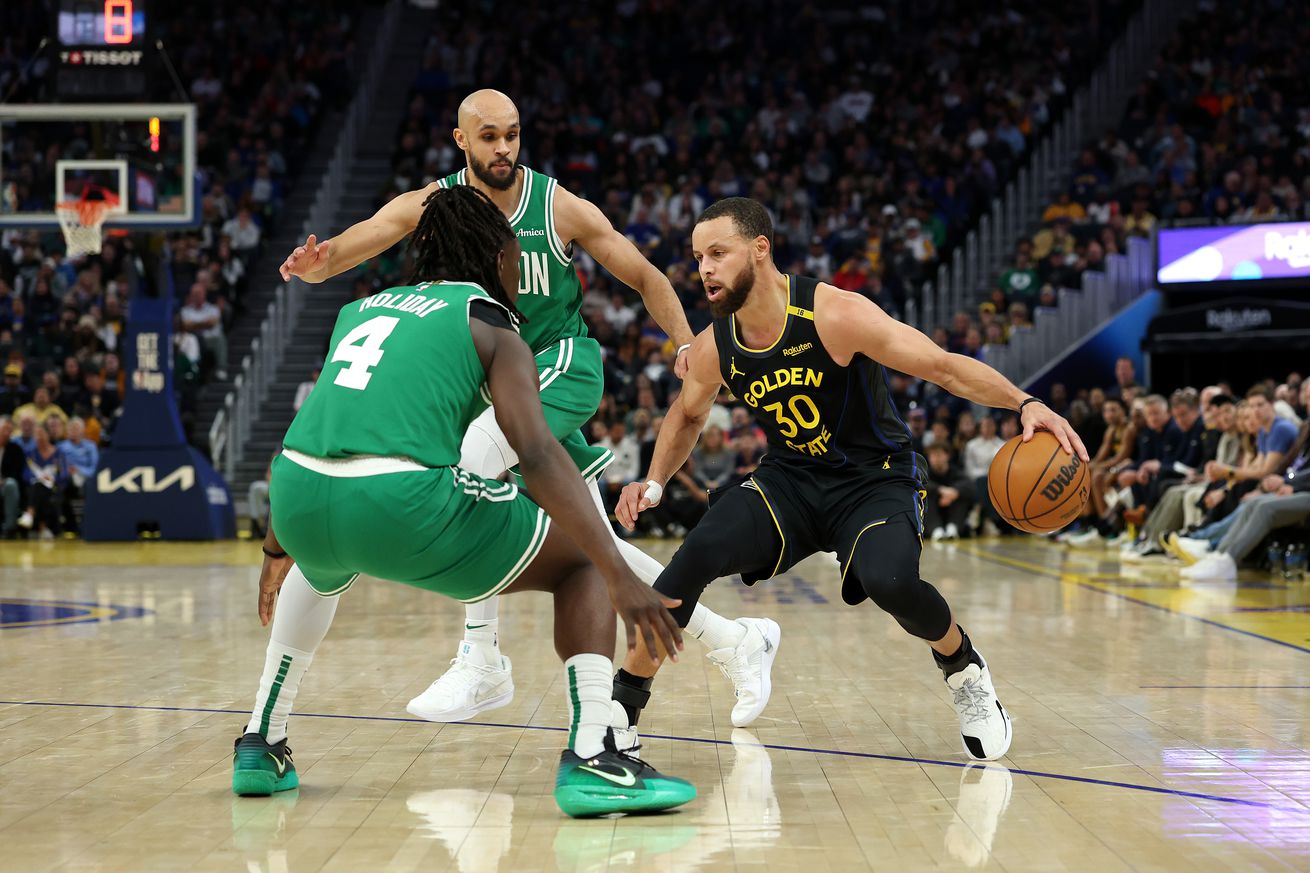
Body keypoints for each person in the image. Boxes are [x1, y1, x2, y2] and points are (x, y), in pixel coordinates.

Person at [276, 90, 759, 727]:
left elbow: (643, 274)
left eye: (512, 135)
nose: (503, 148)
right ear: (461, 141)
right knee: (589, 543)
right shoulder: (439, 204)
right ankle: (733, 640)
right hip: (495, 385)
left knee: (475, 456)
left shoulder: (555, 204)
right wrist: (314, 266)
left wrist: (687, 342)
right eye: (489, 137)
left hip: (557, 366)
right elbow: (352, 245)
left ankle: (481, 659)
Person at [235, 185, 694, 817]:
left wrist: (275, 544)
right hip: (398, 502)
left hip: (296, 494)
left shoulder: (361, 310)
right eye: (510, 255)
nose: (515, 268)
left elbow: (325, 430)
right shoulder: (488, 317)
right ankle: (594, 755)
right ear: (493, 253)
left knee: (319, 567)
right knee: (582, 558)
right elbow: (535, 452)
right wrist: (619, 574)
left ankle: (263, 740)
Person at [614, 198, 1087, 761]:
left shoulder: (835, 314)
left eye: (718, 253)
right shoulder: (718, 344)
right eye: (698, 258)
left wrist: (1024, 401)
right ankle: (620, 714)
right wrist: (656, 481)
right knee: (686, 565)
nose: (705, 269)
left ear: (760, 250)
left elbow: (941, 366)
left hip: (873, 479)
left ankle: (963, 668)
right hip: (790, 481)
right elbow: (689, 413)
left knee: (890, 580)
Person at [18, 424, 67, 539]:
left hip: (54, 487)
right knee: (38, 487)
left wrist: (52, 479)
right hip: (34, 486)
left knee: (41, 490)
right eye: (37, 435)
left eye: (42, 434)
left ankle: (30, 514)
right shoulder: (30, 453)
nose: (39, 437)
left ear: (48, 435)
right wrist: (37, 479)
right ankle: (44, 527)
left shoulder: (59, 453)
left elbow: (64, 474)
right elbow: (25, 474)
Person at [924, 443, 975, 541]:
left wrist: (955, 492)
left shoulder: (955, 472)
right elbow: (920, 485)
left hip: (953, 512)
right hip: (932, 514)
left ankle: (953, 528)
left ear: (947, 456)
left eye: (939, 454)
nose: (936, 458)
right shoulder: (926, 474)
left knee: (962, 496)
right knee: (926, 496)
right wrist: (941, 490)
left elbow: (970, 486)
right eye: (932, 455)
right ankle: (935, 530)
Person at [57, 417, 98, 535]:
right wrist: (66, 471)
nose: (73, 431)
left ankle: (88, 525)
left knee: (88, 486)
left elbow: (94, 468)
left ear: (83, 430)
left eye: (76, 428)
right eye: (71, 428)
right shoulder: (61, 446)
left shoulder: (91, 446)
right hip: (67, 478)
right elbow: (57, 465)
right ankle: (70, 527)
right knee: (63, 486)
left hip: (86, 477)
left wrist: (78, 470)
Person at [1, 417, 24, 537]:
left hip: (5, 485)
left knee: (11, 484)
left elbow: (17, 473)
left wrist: (2, 481)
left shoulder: (16, 449)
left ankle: (9, 528)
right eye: (4, 429)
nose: (6, 433)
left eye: (9, 430)